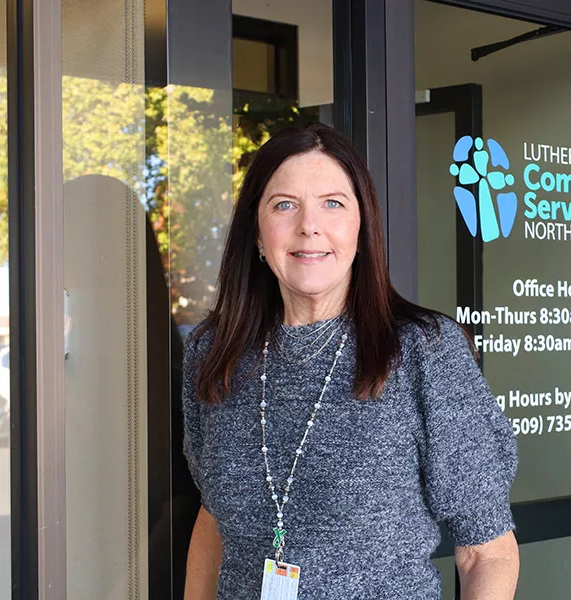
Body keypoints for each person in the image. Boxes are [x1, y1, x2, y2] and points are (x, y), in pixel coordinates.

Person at [182, 122, 519, 599]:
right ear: (257, 233)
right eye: (284, 205)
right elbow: (212, 519)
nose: (309, 225)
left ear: (361, 230)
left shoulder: (423, 352)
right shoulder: (213, 354)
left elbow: (487, 552)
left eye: (333, 203)